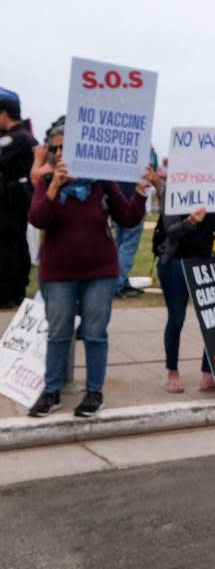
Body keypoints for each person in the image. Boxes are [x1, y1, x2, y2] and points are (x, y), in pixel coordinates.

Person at [27, 158, 158, 418]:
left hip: (100, 272)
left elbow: (129, 218)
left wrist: (142, 189)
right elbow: (38, 219)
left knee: (95, 333)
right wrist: (55, 187)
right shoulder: (46, 182)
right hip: (59, 273)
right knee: (59, 332)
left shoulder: (102, 182)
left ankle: (94, 393)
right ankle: (52, 391)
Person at [157, 202, 215, 394]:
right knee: (176, 320)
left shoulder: (211, 193)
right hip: (176, 263)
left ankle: (208, 372)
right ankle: (172, 372)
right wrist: (190, 221)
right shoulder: (173, 193)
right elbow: (171, 231)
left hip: (204, 262)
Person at [0, 88, 37, 309]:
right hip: (20, 200)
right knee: (18, 244)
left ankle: (7, 293)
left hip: (9, 201)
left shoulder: (13, 139)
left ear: (4, 114)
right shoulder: (29, 138)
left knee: (7, 247)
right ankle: (16, 290)